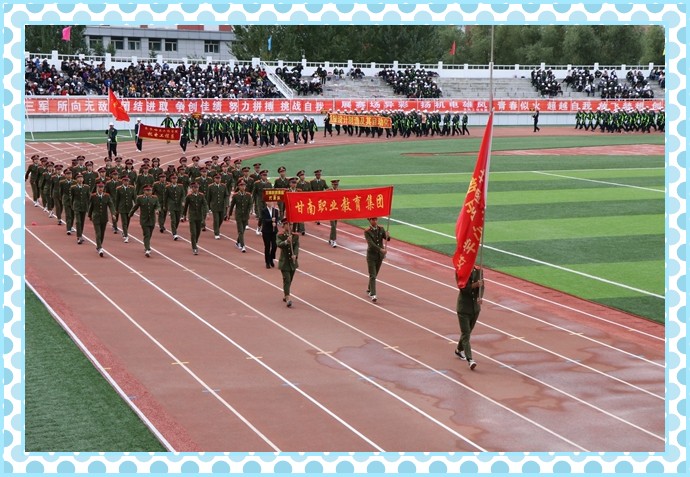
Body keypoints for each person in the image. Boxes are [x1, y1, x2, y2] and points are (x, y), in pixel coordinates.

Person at [455, 265, 484, 370]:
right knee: (466, 333)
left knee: (467, 332)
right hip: (464, 309)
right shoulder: (460, 272)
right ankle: (470, 360)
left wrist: (480, 296)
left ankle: (458, 349)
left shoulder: (479, 271)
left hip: (475, 309)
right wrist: (474, 285)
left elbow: (482, 286)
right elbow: (463, 289)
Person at [129, 184, 160, 257]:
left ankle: (146, 244)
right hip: (144, 220)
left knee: (150, 234)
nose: (149, 192)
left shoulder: (155, 198)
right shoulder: (140, 198)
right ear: (144, 191)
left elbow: (158, 205)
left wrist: (157, 210)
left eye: (150, 190)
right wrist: (131, 213)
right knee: (147, 234)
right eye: (147, 190)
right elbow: (135, 207)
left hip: (152, 219)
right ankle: (147, 249)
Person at [364, 217, 390, 303]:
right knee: (373, 275)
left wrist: (387, 235)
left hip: (379, 256)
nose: (375, 221)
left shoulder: (381, 229)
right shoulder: (367, 231)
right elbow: (371, 244)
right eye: (373, 220)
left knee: (375, 274)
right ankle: (373, 294)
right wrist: (380, 249)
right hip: (371, 256)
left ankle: (369, 288)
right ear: (369, 220)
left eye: (376, 219)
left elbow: (386, 239)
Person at [87, 181, 116, 257]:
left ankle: (98, 245)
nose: (100, 189)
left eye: (102, 187)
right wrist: (89, 215)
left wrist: (113, 214)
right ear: (97, 188)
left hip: (104, 217)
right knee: (98, 233)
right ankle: (100, 248)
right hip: (96, 217)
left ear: (103, 188)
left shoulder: (107, 196)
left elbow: (111, 205)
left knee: (102, 233)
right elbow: (91, 206)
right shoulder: (93, 196)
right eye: (99, 187)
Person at [277, 221, 299, 307]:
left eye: (291, 225)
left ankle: (285, 294)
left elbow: (296, 246)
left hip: (292, 263)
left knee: (290, 280)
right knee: (287, 280)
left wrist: (295, 255)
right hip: (284, 262)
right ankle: (288, 298)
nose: (290, 226)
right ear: (284, 225)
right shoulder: (280, 235)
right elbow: (279, 244)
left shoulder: (295, 236)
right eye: (288, 224)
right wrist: (286, 242)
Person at [183, 182, 208, 255]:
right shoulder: (189, 196)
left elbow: (205, 204)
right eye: (194, 187)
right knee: (193, 232)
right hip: (192, 216)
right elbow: (186, 206)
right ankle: (194, 247)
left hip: (199, 216)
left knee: (198, 232)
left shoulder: (201, 196)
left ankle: (195, 241)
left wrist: (207, 212)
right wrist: (184, 215)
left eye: (197, 187)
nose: (196, 189)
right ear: (192, 188)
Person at [228, 179, 251, 252]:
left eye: (244, 185)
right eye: (241, 185)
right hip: (239, 215)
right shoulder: (235, 195)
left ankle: (238, 242)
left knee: (243, 230)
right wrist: (229, 214)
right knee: (240, 231)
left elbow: (250, 205)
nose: (243, 187)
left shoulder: (248, 195)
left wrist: (249, 212)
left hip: (245, 215)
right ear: (238, 186)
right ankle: (242, 245)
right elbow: (232, 205)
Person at [70, 173, 91, 245]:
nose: (80, 179)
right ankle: (79, 236)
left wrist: (88, 206)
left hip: (84, 206)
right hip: (77, 206)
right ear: (76, 180)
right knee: (78, 221)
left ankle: (80, 234)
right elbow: (72, 198)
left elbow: (88, 197)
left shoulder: (87, 187)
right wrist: (72, 205)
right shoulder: (73, 188)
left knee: (82, 221)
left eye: (81, 178)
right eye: (78, 178)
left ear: (83, 179)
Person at [114, 175, 136, 243]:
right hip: (122, 208)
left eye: (127, 181)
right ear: (122, 181)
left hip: (129, 208)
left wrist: (136, 206)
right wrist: (116, 209)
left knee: (128, 221)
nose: (126, 182)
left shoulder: (132, 188)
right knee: (124, 222)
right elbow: (117, 200)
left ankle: (124, 231)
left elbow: (134, 198)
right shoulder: (119, 189)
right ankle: (126, 236)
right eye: (125, 181)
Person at [207, 173, 229, 239]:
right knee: (216, 220)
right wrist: (208, 208)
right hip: (214, 206)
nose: (218, 179)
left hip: (222, 206)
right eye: (216, 178)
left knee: (221, 219)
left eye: (219, 178)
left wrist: (227, 203)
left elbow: (226, 196)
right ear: (214, 179)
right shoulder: (210, 187)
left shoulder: (223, 186)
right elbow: (208, 198)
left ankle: (216, 228)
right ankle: (216, 233)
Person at [260, 201, 280, 268]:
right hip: (266, 231)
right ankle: (267, 262)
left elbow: (276, 219)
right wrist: (271, 220)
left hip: (274, 231)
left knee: (274, 246)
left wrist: (275, 223)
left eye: (271, 201)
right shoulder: (263, 211)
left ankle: (271, 258)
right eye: (269, 201)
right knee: (267, 246)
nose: (270, 203)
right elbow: (264, 220)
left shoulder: (275, 211)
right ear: (266, 202)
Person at [328, 179, 340, 247]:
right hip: (331, 211)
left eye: (337, 184)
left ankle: (330, 239)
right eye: (335, 185)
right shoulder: (328, 191)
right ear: (332, 185)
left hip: (337, 211)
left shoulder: (339, 191)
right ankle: (334, 240)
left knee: (334, 226)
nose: (336, 186)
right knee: (333, 226)